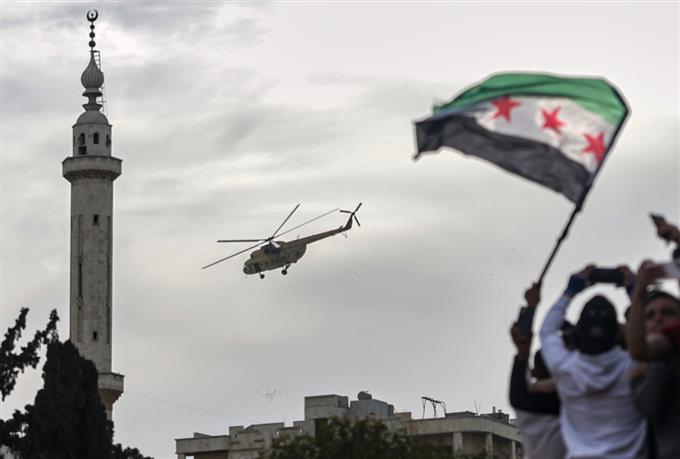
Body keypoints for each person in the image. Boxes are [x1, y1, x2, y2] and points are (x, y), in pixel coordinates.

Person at [539, 266, 646, 459]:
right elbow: (651, 334)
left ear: (577, 333)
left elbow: (547, 331)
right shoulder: (634, 367)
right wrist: (634, 290)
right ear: (618, 333)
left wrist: (571, 290)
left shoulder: (565, 369)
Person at [627, 261, 680, 459]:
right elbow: (649, 406)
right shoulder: (639, 372)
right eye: (649, 316)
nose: (658, 319)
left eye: (668, 312)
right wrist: (639, 291)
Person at [509, 282, 566, 459]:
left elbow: (522, 358)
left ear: (534, 373)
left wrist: (531, 307)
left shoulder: (524, 404)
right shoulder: (576, 399)